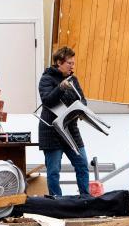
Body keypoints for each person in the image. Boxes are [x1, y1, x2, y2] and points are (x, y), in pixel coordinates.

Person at [38, 46, 91, 197]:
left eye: (73, 63)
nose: (72, 66)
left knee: (82, 165)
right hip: (51, 131)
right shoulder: (46, 78)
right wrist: (60, 88)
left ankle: (85, 198)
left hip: (70, 129)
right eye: (69, 63)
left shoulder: (73, 79)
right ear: (59, 62)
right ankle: (57, 202)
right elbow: (47, 100)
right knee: (53, 171)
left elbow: (82, 100)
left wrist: (82, 110)